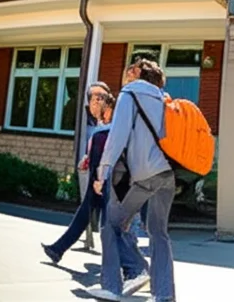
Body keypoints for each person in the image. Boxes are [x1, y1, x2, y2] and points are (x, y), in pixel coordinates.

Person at [43, 86, 149, 293]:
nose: (95, 104)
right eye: (92, 100)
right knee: (116, 231)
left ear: (107, 104)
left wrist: (99, 180)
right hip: (120, 187)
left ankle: (135, 272)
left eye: (99, 100)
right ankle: (130, 274)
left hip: (114, 188)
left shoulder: (106, 132)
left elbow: (109, 160)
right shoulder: (109, 130)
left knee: (116, 231)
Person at [89, 59, 176, 302]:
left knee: (111, 225)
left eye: (132, 68)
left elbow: (117, 138)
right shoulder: (165, 99)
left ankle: (112, 286)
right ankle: (164, 294)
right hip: (167, 174)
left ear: (139, 74)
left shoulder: (129, 94)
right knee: (159, 233)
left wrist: (102, 174)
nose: (127, 72)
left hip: (144, 175)